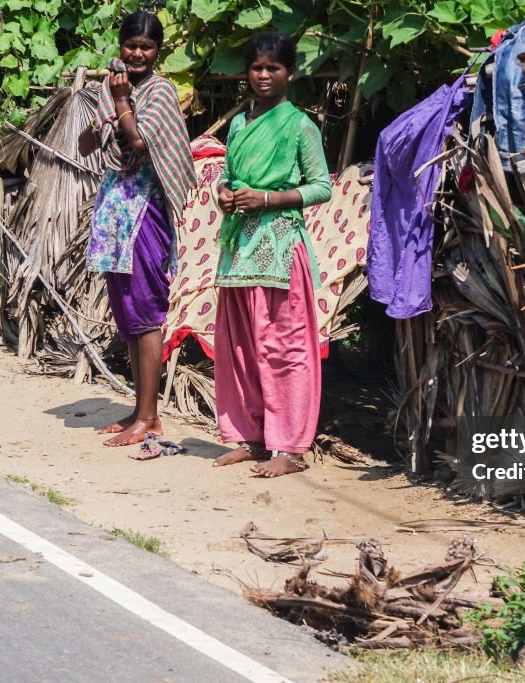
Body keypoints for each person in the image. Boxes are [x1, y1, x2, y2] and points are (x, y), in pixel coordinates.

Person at [210, 32, 331, 477]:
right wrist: (223, 192)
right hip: (239, 246)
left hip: (279, 246)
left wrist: (266, 199)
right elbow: (227, 173)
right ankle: (248, 436)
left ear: (290, 74)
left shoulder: (300, 125)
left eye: (273, 68)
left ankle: (289, 448)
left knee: (285, 344)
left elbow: (321, 187)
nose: (263, 76)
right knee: (239, 344)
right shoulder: (240, 123)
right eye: (257, 68)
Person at [77, 11, 195, 449]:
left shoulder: (161, 91)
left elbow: (142, 143)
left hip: (147, 210)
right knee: (127, 311)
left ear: (157, 51)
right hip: (116, 212)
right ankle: (137, 408)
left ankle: (151, 417)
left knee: (146, 311)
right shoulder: (111, 90)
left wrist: (123, 102)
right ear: (121, 45)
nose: (139, 53)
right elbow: (87, 145)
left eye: (147, 47)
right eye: (132, 45)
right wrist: (106, 106)